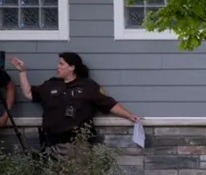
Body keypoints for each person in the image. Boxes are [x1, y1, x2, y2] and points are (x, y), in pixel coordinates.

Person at [9, 53, 140, 152]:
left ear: (72, 67)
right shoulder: (51, 84)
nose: (58, 67)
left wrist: (129, 115)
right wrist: (22, 71)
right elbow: (28, 94)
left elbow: (109, 104)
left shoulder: (87, 86)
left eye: (61, 64)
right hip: (51, 143)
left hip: (77, 144)